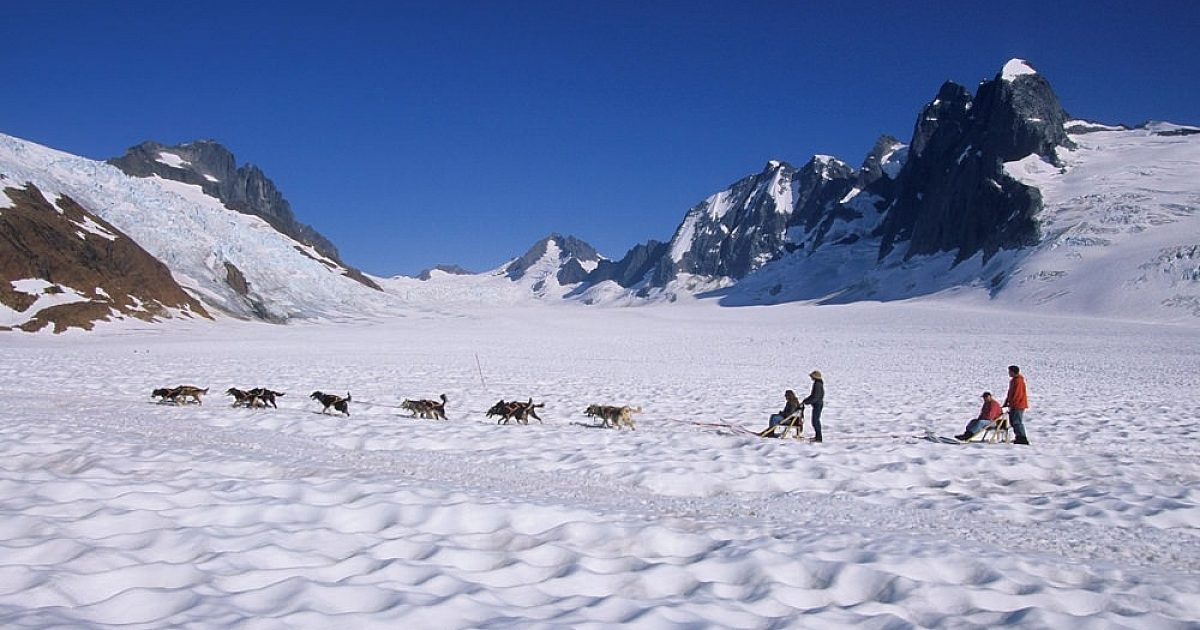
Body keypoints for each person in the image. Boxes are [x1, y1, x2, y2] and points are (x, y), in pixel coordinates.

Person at [1004, 365, 1030, 445]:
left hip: (1018, 405)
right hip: (1014, 405)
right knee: (1014, 422)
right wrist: (1006, 402)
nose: (1009, 373)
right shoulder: (1013, 381)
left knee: (1017, 422)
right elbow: (1010, 393)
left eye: (1010, 372)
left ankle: (1022, 438)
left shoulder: (1018, 381)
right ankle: (1018, 437)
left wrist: (1011, 404)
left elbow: (1017, 395)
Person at [802, 370, 824, 442]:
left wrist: (807, 402)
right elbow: (813, 396)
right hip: (817, 404)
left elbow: (815, 397)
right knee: (815, 420)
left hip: (817, 404)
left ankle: (818, 437)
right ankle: (817, 436)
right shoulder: (818, 383)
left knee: (815, 421)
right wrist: (806, 400)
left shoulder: (817, 384)